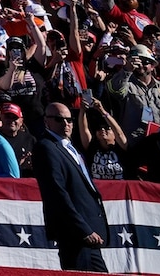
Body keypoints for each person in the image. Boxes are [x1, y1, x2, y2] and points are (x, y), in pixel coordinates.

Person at [32, 103, 108, 272]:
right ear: (47, 121)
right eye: (59, 119)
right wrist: (83, 230)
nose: (66, 124)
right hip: (75, 234)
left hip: (85, 234)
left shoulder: (70, 147)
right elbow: (57, 194)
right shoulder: (46, 147)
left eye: (69, 120)